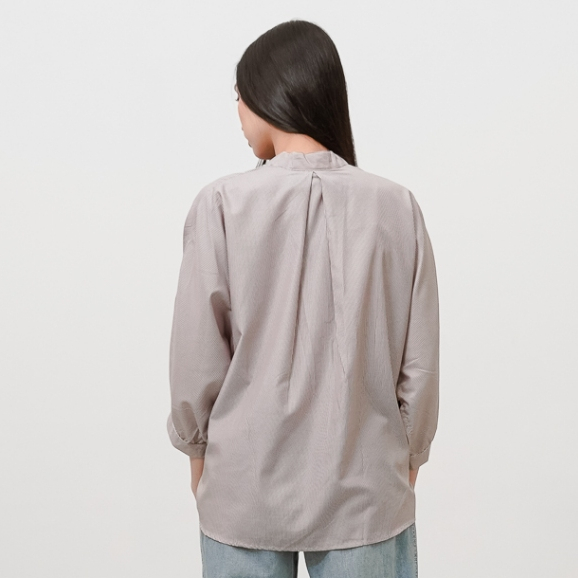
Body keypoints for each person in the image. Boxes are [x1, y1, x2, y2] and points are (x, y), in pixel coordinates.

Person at [167, 19, 439, 578]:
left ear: (270, 95)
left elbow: (197, 356)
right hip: (366, 488)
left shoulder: (221, 205)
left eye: (239, 96)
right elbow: (420, 362)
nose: (238, 114)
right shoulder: (397, 208)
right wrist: (410, 456)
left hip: (243, 487)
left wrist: (197, 453)